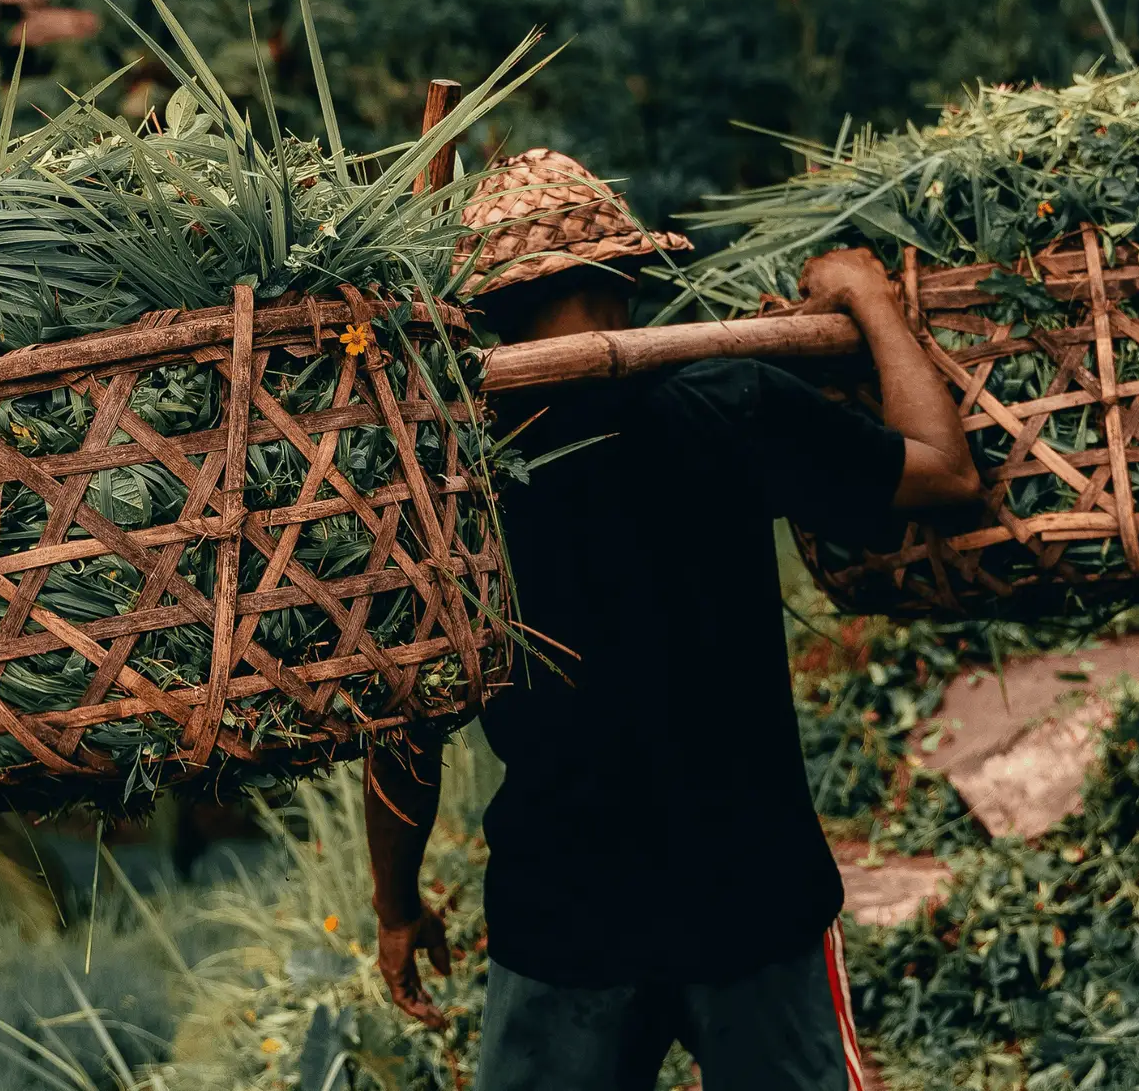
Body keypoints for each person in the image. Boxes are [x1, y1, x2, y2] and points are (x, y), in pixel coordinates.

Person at [364, 149, 980, 1091]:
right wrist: (867, 294)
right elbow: (945, 469)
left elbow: (404, 730)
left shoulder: (451, 481)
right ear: (627, 274)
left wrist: (396, 905)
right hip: (755, 900)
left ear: (481, 311)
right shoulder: (733, 404)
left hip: (565, 919)